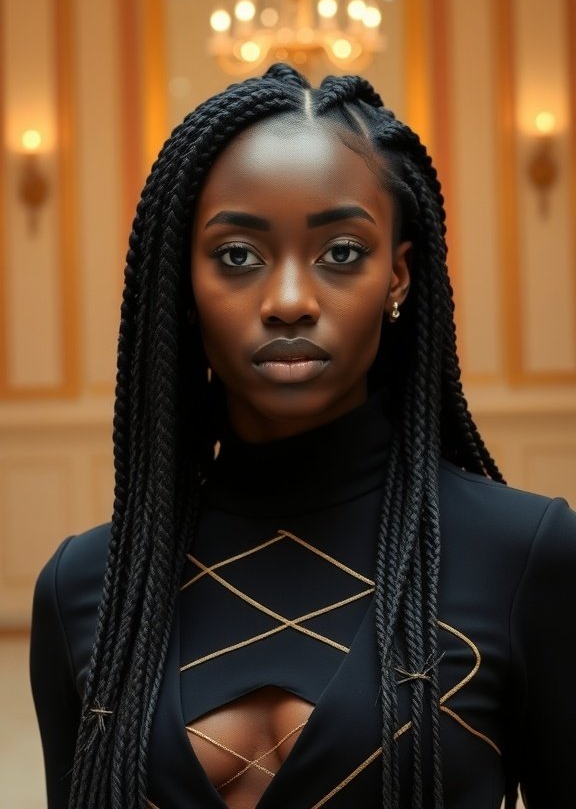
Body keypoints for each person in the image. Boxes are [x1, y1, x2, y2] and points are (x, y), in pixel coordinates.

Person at [30, 64, 576, 809]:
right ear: (181, 285)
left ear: (399, 277)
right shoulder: (86, 586)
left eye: (342, 253)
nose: (289, 300)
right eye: (238, 256)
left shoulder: (523, 555)